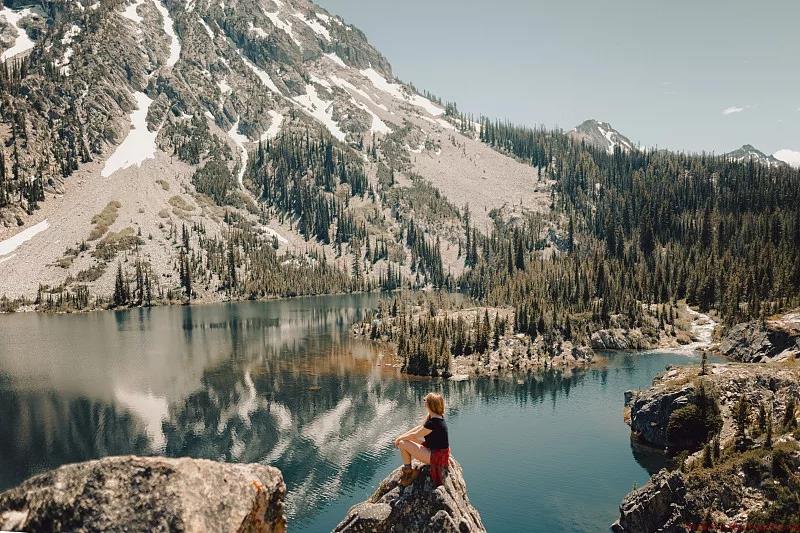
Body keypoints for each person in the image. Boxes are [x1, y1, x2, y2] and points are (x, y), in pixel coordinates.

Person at [393, 392, 450, 487]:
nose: (424, 402)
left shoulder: (433, 423)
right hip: (437, 451)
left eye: (425, 401)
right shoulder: (437, 417)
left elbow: (416, 434)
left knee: (402, 443)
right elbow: (419, 428)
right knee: (405, 440)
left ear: (429, 404)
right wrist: (402, 435)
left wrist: (400, 438)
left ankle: (408, 473)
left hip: (436, 456)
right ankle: (409, 466)